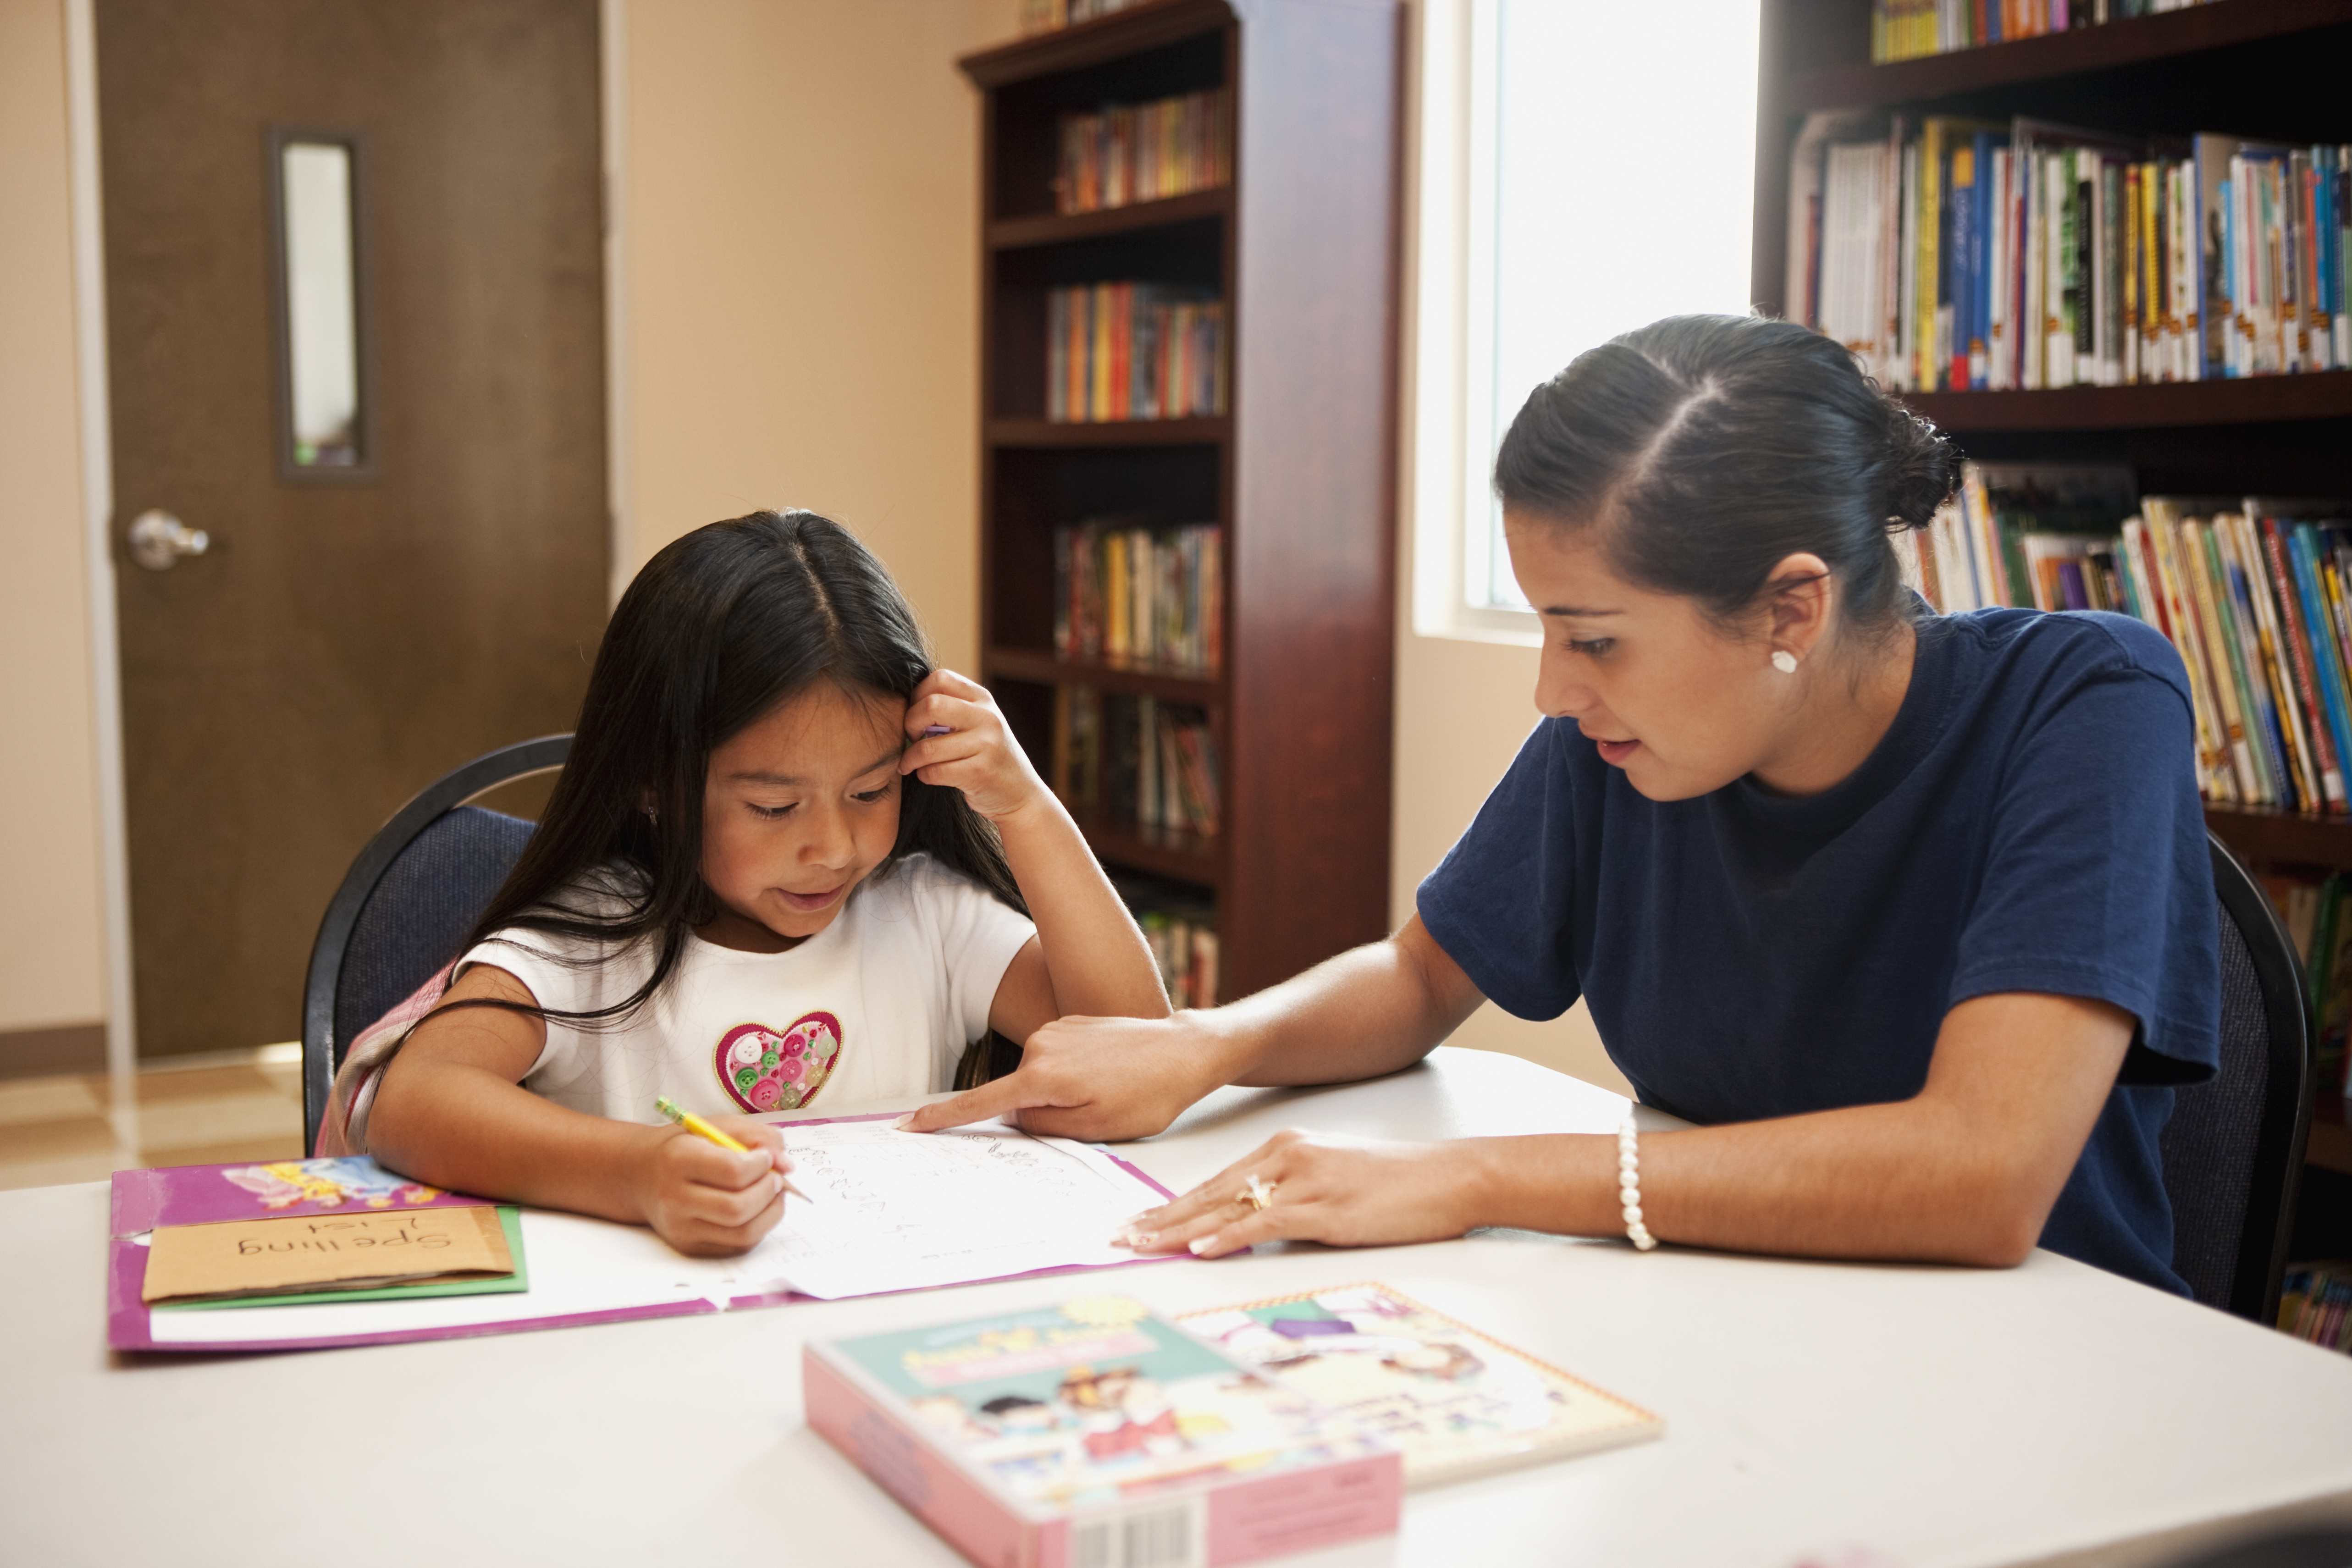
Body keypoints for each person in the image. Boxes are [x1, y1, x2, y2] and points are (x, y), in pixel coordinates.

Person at [902, 315, 2221, 1295]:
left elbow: (1981, 1173)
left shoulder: (2085, 701)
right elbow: (1422, 974)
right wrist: (1209, 1044)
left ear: (1790, 606)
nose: (1551, 687)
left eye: (1590, 637)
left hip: (2027, 1368)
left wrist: (1477, 1175)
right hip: (1726, 1316)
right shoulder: (1632, 742)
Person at [348, 510, 1169, 1256]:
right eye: (775, 806)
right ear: (653, 784)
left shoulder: (924, 913)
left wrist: (1023, 806)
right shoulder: (590, 938)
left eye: (871, 791)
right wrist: (638, 1173)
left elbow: (1139, 1055)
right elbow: (415, 1100)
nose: (834, 847)